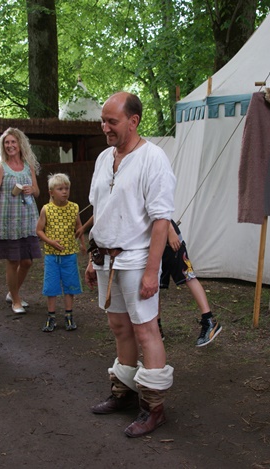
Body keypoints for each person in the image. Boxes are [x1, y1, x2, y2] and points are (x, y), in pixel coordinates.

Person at [85, 92, 176, 438]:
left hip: (138, 259)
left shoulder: (153, 159)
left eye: (112, 121)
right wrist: (93, 258)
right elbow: (101, 212)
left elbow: (161, 220)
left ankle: (154, 407)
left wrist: (152, 271)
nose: (105, 127)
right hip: (106, 259)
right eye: (103, 121)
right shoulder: (103, 158)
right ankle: (124, 390)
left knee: (145, 330)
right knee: (119, 327)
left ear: (133, 121)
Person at [0, 128, 41, 314]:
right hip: (9, 221)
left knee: (27, 261)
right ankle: (16, 300)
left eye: (13, 142)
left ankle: (12, 292)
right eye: (6, 142)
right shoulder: (1, 168)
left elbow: (37, 191)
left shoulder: (28, 166)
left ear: (20, 144)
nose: (10, 146)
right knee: (13, 260)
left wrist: (31, 189)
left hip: (28, 220)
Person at [36, 173, 86, 332]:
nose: (64, 192)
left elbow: (79, 226)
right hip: (52, 256)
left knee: (70, 285)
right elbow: (39, 230)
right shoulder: (47, 209)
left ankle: (69, 315)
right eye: (60, 189)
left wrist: (83, 243)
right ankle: (51, 316)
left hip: (69, 254)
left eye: (67, 188)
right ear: (51, 192)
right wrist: (50, 241)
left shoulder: (74, 207)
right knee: (51, 286)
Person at [159, 220, 222, 347]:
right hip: (153, 241)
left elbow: (160, 210)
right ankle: (156, 327)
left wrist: (170, 230)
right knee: (155, 284)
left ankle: (209, 320)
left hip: (169, 239)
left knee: (188, 277)